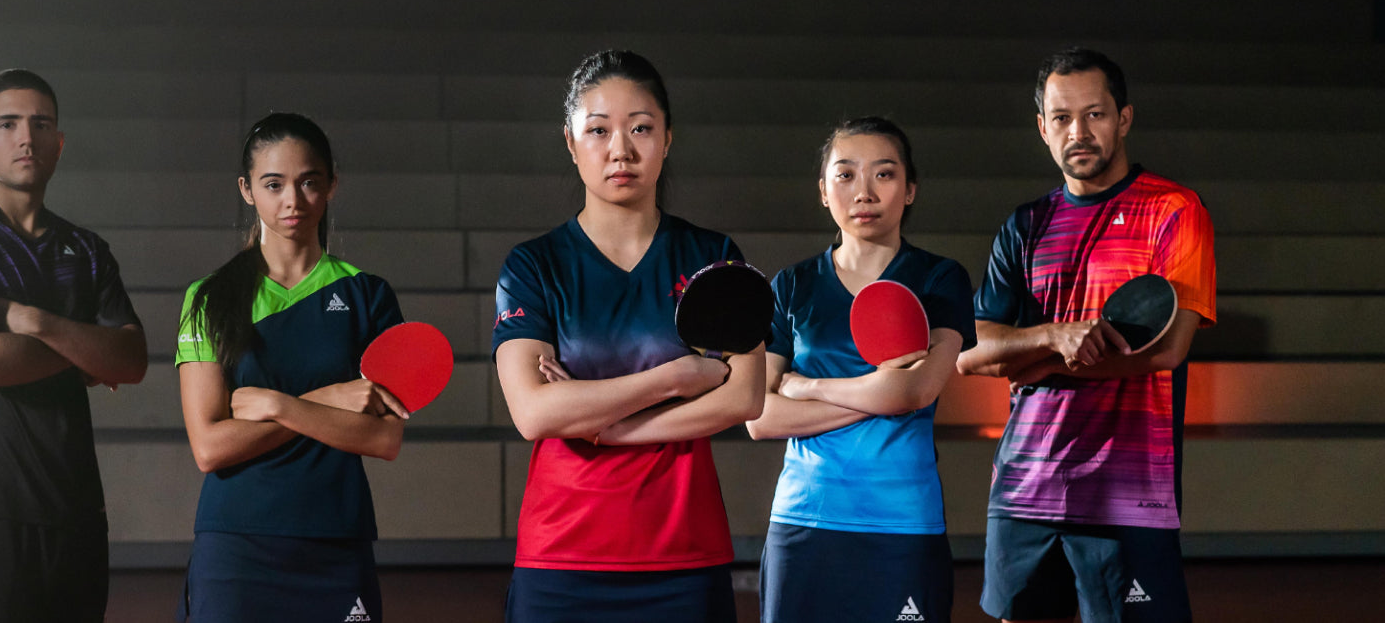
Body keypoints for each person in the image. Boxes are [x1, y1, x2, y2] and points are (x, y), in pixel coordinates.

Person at [490, 49, 766, 623]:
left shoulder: (712, 257)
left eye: (641, 128)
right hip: (562, 556)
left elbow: (745, 397)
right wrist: (679, 376)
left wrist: (606, 427)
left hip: (685, 553)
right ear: (571, 142)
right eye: (599, 130)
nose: (622, 149)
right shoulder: (533, 266)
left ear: (667, 139)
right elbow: (535, 414)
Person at [956, 48, 1217, 623]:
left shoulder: (1175, 210)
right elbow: (975, 350)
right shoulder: (1024, 225)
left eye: (1095, 114)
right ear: (1043, 128)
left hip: (1128, 495)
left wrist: (1038, 362)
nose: (1079, 131)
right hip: (1026, 487)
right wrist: (1055, 337)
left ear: (1124, 118)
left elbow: (1168, 350)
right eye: (1062, 117)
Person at [0, 68, 151, 623]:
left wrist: (33, 320)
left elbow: (132, 359)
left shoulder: (87, 250)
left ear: (59, 144)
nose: (26, 137)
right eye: (8, 123)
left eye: (41, 125)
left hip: (76, 509)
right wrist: (86, 350)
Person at [173, 112, 408, 623]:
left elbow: (383, 439)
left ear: (331, 186)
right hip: (236, 544)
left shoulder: (368, 296)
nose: (292, 201)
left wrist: (274, 405)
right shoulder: (209, 297)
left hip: (336, 538)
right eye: (273, 184)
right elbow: (210, 447)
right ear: (247, 189)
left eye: (309, 183)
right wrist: (327, 401)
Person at [746, 116, 974, 623]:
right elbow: (760, 417)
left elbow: (915, 392)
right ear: (824, 191)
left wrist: (807, 386)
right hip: (803, 520)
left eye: (884, 174)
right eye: (845, 175)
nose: (864, 191)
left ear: (910, 190)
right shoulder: (792, 285)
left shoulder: (940, 279)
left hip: (903, 524)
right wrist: (880, 390)